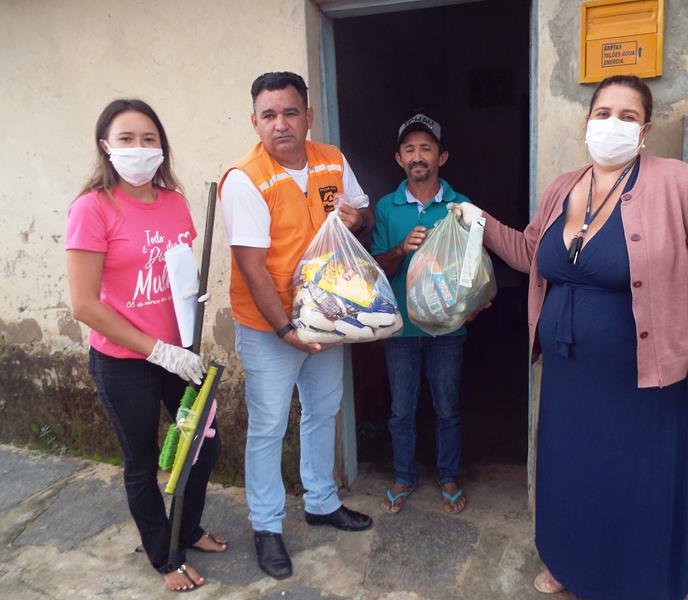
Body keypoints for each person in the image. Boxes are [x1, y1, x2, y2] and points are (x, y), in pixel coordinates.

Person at [458, 75, 688, 599]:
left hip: (643, 376)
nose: (612, 124)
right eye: (602, 113)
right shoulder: (562, 188)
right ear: (586, 122)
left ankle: (634, 583)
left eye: (626, 115)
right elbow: (533, 255)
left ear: (644, 129)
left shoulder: (678, 184)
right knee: (571, 474)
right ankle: (570, 565)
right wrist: (477, 220)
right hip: (570, 375)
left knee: (633, 480)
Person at [219, 71, 374, 580]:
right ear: (255, 122)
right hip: (272, 328)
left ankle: (321, 502)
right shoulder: (246, 178)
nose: (280, 124)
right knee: (267, 426)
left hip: (325, 316)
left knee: (323, 410)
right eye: (269, 115)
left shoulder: (331, 159)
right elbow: (252, 267)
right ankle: (266, 526)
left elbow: (364, 216)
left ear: (308, 116)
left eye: (290, 113)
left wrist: (356, 221)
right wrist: (287, 331)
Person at [66, 99, 225, 593]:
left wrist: (192, 304)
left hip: (180, 355)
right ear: (105, 147)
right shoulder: (92, 209)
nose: (139, 148)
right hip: (124, 363)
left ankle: (189, 526)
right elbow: (85, 305)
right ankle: (164, 554)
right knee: (143, 462)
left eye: (149, 139)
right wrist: (157, 350)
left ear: (162, 147)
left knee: (203, 447)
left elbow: (176, 273)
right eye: (127, 139)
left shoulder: (174, 201)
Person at [371, 114, 473, 515]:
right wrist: (400, 249)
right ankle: (403, 477)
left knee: (447, 407)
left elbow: (472, 267)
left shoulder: (459, 206)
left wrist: (474, 303)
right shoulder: (386, 207)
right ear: (399, 159)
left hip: (446, 327)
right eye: (410, 149)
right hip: (401, 326)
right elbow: (377, 267)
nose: (418, 156)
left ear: (441, 157)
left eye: (426, 148)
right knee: (402, 410)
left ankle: (448, 476)